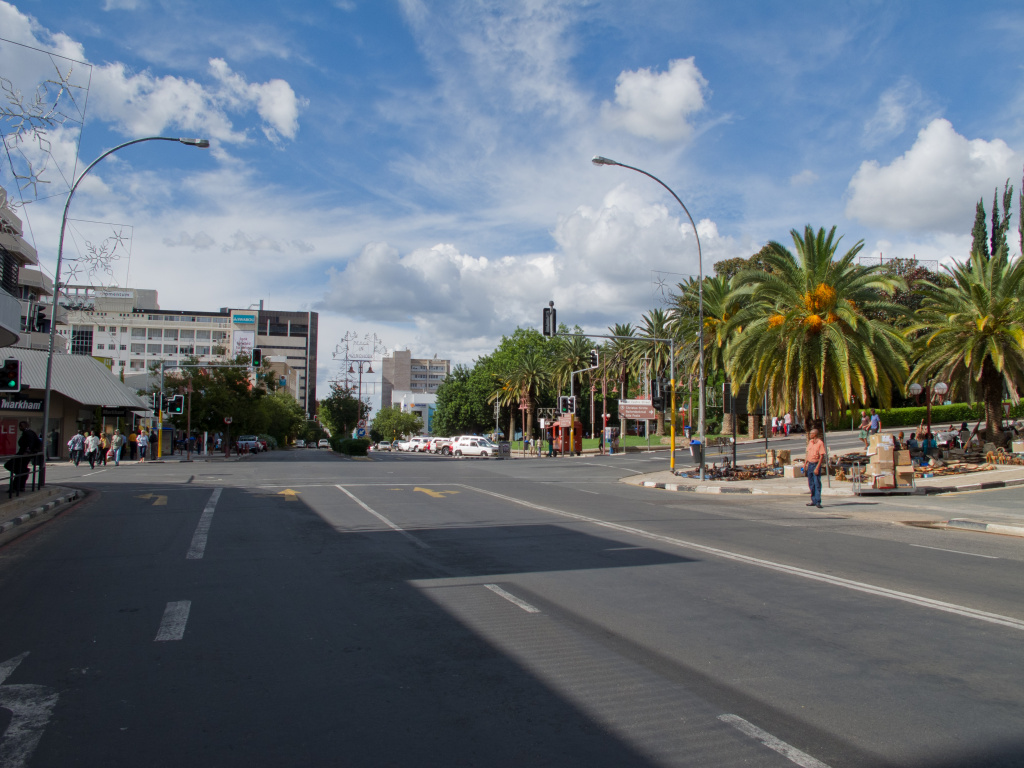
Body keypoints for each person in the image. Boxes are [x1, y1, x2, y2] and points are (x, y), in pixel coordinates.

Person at [15, 421, 41, 492]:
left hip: (24, 454)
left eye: (21, 426)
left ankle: (18, 486)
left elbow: (30, 443)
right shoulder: (31, 432)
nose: (20, 427)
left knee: (18, 469)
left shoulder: (28, 433)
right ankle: (19, 485)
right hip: (25, 454)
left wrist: (27, 451)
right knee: (20, 469)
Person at [804, 428, 826, 509]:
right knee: (811, 484)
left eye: (811, 434)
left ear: (815, 434)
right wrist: (805, 464)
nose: (810, 435)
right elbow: (807, 454)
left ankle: (818, 501)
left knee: (817, 483)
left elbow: (821, 456)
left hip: (816, 464)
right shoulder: (810, 442)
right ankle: (813, 500)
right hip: (810, 464)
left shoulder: (820, 443)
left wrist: (817, 468)